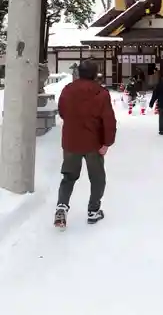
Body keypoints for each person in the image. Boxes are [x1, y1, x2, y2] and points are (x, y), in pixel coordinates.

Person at [54, 60, 117, 229]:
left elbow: (62, 111)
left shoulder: (68, 90)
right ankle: (93, 210)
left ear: (79, 73)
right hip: (93, 143)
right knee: (97, 178)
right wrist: (106, 142)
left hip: (71, 141)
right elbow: (108, 120)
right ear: (95, 74)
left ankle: (61, 207)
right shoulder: (101, 93)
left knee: (68, 177)